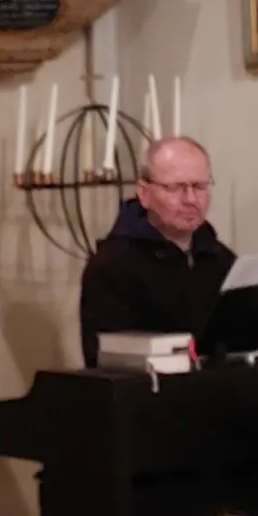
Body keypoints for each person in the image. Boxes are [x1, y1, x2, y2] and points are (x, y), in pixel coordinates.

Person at [78, 136, 237, 368]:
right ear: (144, 193)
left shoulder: (222, 260)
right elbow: (107, 360)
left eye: (199, 186)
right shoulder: (112, 266)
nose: (191, 199)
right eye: (175, 188)